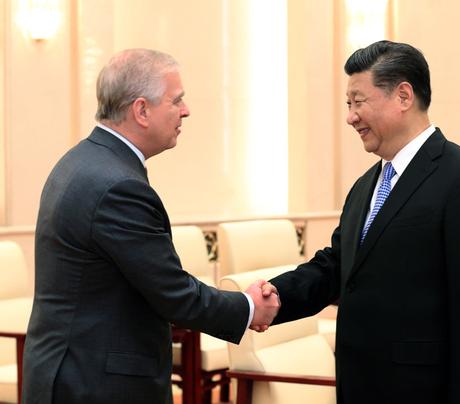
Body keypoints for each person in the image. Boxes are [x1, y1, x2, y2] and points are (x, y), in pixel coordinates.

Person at [264, 40, 460, 403]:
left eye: (358, 102)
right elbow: (337, 268)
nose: (350, 116)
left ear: (403, 96)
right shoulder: (366, 186)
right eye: (347, 105)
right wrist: (268, 299)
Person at [22, 48, 279, 404]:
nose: (186, 110)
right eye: (177, 101)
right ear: (141, 110)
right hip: (96, 384)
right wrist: (248, 307)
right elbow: (174, 294)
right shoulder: (117, 185)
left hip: (71, 373)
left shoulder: (82, 160)